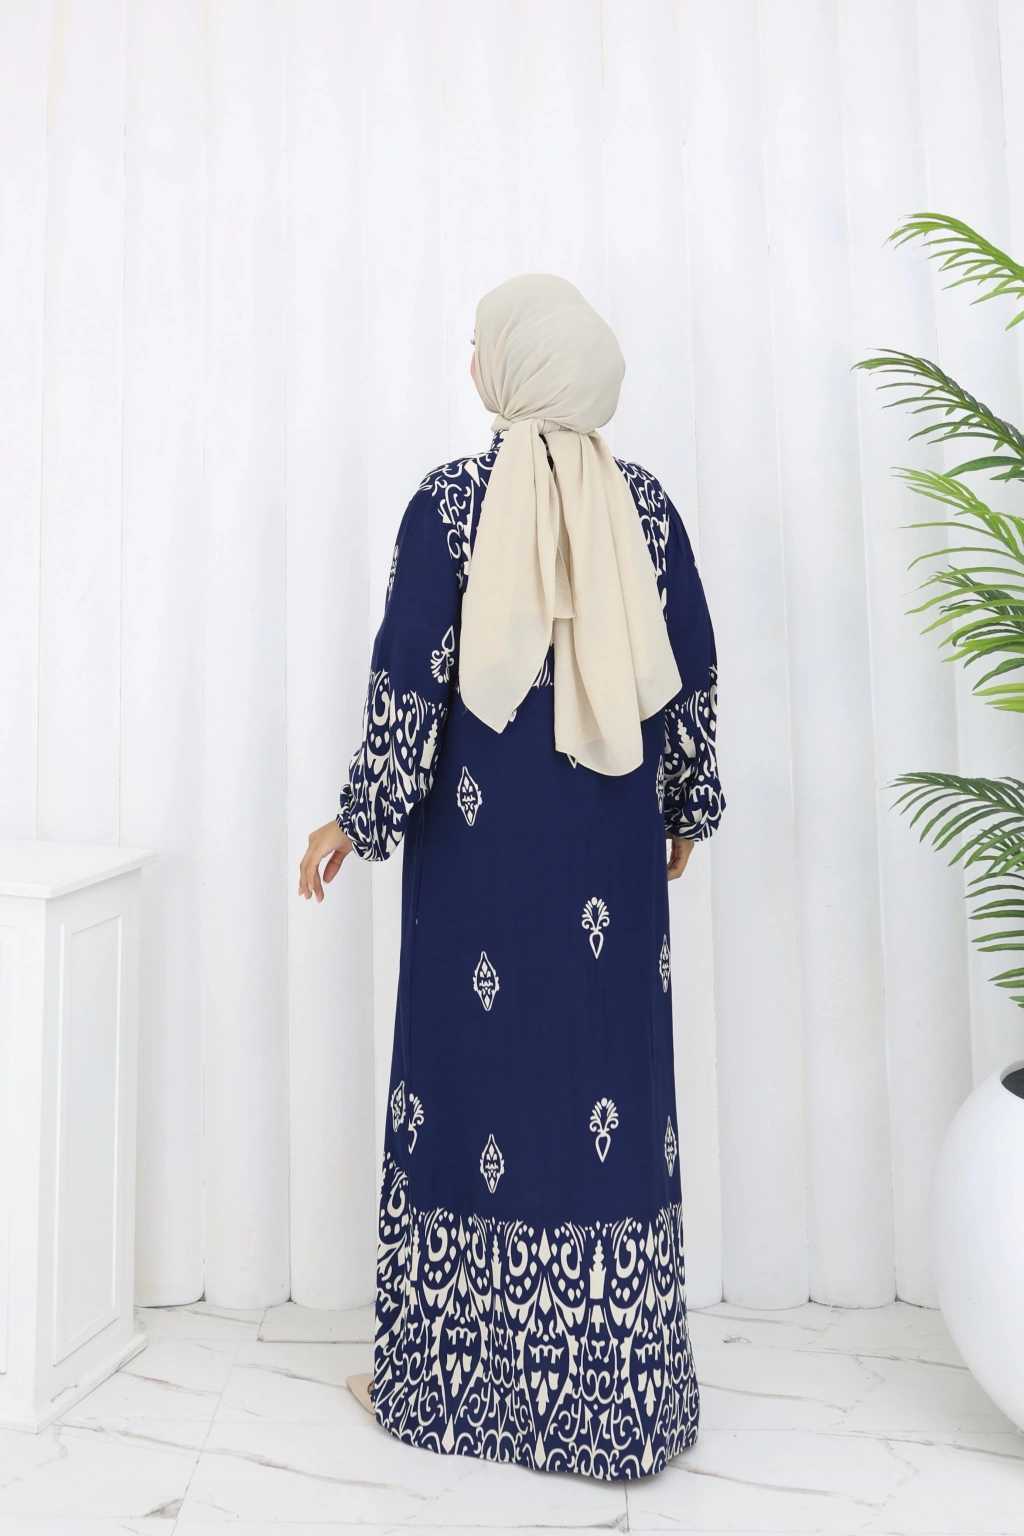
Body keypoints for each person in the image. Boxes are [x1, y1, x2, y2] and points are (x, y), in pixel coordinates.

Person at [298, 274, 724, 1480]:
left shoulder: (448, 507)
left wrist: (357, 816)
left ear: (517, 368)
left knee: (469, 1091)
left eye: (480, 343)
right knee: (601, 1088)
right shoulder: (646, 511)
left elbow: (409, 680)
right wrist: (686, 803)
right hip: (610, 868)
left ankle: (447, 1385)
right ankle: (618, 1403)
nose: (469, 358)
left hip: (477, 876)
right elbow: (690, 673)